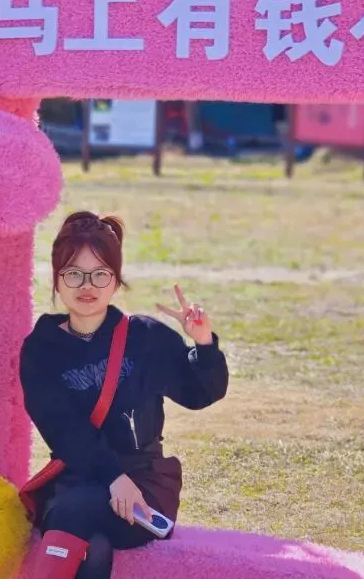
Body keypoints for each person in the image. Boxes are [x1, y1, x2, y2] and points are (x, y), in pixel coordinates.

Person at [21, 211, 229, 579]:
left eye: (100, 274)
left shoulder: (144, 338)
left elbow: (200, 393)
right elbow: (63, 428)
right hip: (78, 478)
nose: (87, 285)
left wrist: (204, 344)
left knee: (76, 514)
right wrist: (112, 476)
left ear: (116, 281)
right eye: (73, 273)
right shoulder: (41, 349)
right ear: (56, 280)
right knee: (94, 546)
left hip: (144, 485)